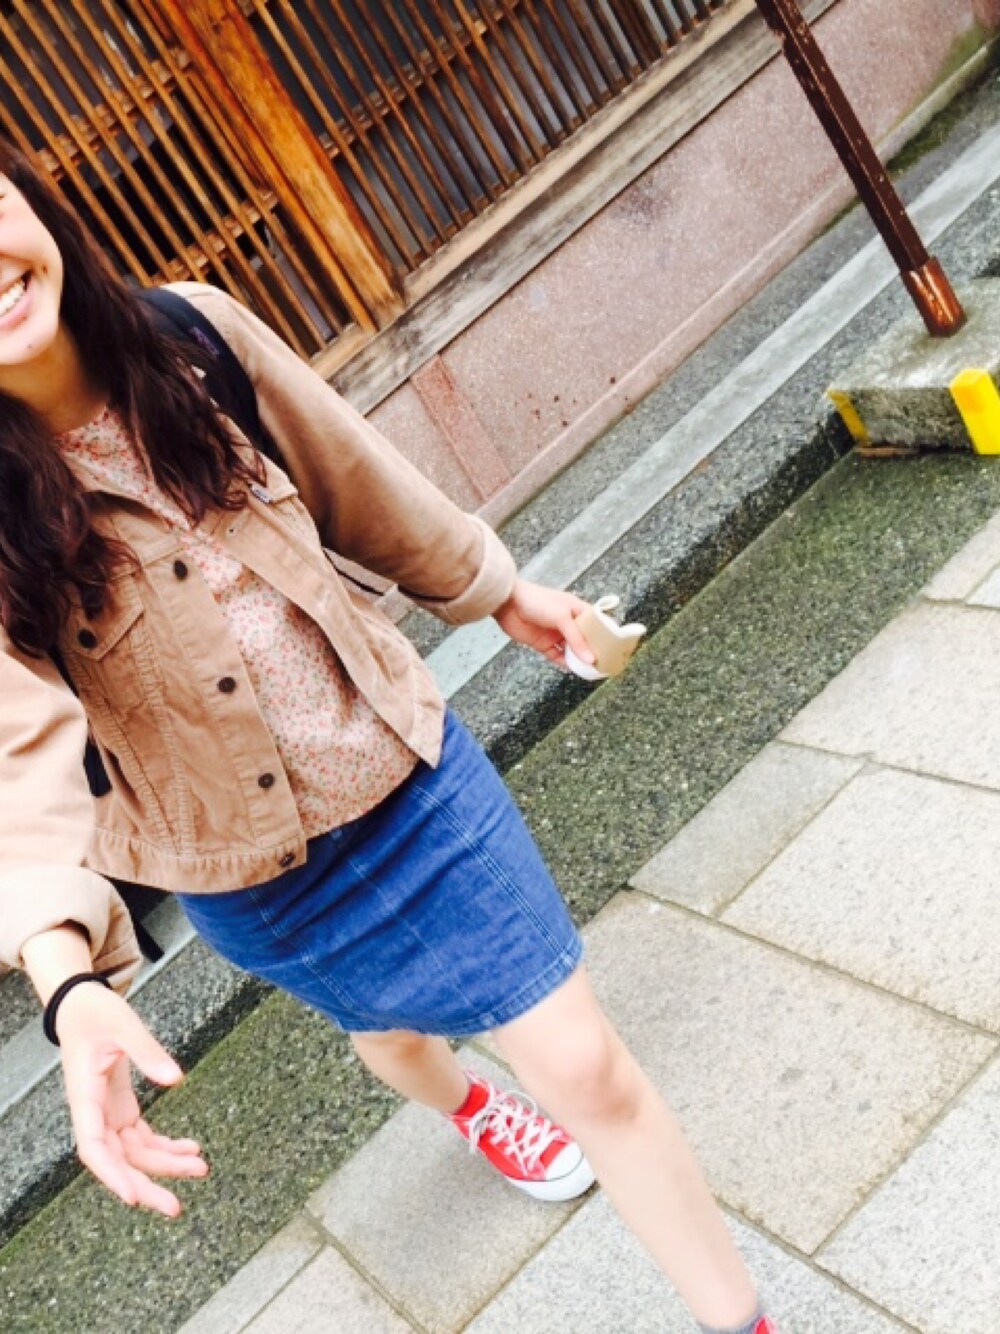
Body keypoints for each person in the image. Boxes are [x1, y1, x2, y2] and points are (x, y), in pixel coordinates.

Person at [0, 142, 776, 1334]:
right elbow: (20, 757)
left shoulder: (192, 336)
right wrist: (66, 986)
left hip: (410, 779)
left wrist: (499, 591)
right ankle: (470, 1107)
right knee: (391, 1033)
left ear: (31, 198)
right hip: (256, 880)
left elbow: (355, 478)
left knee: (584, 1064)